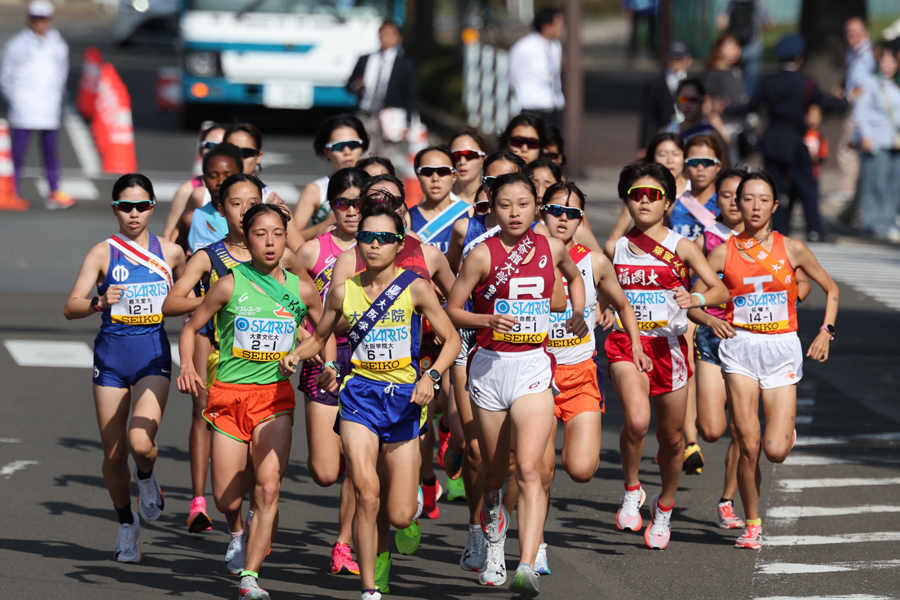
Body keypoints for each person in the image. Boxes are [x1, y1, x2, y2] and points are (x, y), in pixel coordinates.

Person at [280, 204, 461, 600]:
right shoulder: (343, 291)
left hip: (403, 400)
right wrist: (299, 352)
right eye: (367, 237)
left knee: (397, 512)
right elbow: (320, 332)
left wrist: (431, 376)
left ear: (400, 244)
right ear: (358, 243)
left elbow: (452, 340)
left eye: (384, 238)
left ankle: (405, 516)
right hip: (359, 395)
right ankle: (368, 589)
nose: (374, 244)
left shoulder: (416, 286)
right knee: (365, 489)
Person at [446, 172, 589, 597]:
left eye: (523, 204)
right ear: (492, 207)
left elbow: (576, 277)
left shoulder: (553, 246)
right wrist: (486, 319)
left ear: (536, 206)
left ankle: (525, 562)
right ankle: (493, 528)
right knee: (494, 472)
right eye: (505, 204)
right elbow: (452, 309)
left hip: (533, 368)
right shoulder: (480, 254)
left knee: (528, 468)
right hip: (490, 368)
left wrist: (577, 309)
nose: (514, 212)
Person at [177, 203, 326, 600]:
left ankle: (250, 576)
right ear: (247, 237)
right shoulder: (228, 283)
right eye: (261, 234)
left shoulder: (301, 287)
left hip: (274, 397)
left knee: (268, 487)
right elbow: (191, 328)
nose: (271, 242)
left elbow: (324, 328)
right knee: (227, 496)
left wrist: (317, 356)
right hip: (228, 395)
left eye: (278, 233)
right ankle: (239, 531)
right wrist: (189, 368)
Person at [694, 170, 839, 549]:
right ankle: (752, 524)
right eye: (747, 199)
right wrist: (709, 317)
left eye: (763, 200)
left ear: (774, 205)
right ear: (736, 205)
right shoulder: (721, 251)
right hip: (739, 348)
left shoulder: (792, 248)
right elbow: (696, 299)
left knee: (774, 451)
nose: (755, 206)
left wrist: (826, 330)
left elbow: (831, 288)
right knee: (748, 441)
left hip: (781, 349)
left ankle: (785, 433)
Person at [163, 173, 309, 536]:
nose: (245, 209)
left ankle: (257, 528)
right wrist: (223, 300)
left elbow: (306, 304)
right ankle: (229, 521)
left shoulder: (284, 255)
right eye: (236, 203)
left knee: (263, 472)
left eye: (252, 201)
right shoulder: (209, 257)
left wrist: (305, 336)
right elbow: (171, 304)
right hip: (217, 355)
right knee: (220, 450)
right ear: (221, 209)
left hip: (271, 374)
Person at [603, 161, 728, 550]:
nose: (643, 201)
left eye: (652, 195)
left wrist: (698, 299)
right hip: (627, 344)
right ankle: (632, 488)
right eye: (635, 195)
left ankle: (665, 507)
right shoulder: (616, 248)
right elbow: (607, 292)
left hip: (670, 347)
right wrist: (605, 306)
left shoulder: (682, 246)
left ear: (668, 202)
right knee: (638, 421)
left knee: (672, 440)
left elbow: (720, 291)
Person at [63, 174, 186, 562]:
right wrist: (100, 302)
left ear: (153, 206)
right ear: (115, 208)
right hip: (111, 357)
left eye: (141, 206)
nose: (134, 214)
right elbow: (71, 307)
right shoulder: (102, 253)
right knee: (115, 455)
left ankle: (147, 477)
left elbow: (191, 304)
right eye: (125, 207)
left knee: (140, 444)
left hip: (152, 354)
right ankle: (125, 524)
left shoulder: (173, 253)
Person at [537, 181, 650, 575]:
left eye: (572, 213)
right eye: (556, 210)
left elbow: (623, 303)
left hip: (580, 372)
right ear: (541, 211)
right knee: (539, 469)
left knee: (581, 469)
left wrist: (634, 343)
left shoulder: (595, 262)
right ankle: (534, 545)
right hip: (533, 373)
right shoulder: (521, 256)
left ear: (581, 219)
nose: (563, 219)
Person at [293, 167, 368, 575]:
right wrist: (309, 344)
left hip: (370, 362)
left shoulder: (381, 249)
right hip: (323, 360)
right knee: (325, 471)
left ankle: (344, 543)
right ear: (331, 206)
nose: (352, 212)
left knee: (358, 463)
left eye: (359, 204)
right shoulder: (310, 251)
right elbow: (295, 307)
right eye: (343, 204)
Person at [721, 34, 848, 242]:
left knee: (775, 188)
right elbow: (825, 102)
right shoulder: (806, 82)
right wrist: (845, 100)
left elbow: (750, 107)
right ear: (798, 57)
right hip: (795, 140)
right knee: (807, 185)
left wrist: (726, 108)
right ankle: (814, 229)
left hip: (771, 139)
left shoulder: (767, 81)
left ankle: (778, 230)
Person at [0, 0, 72, 209]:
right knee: (17, 154)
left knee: (50, 154)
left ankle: (54, 191)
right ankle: (12, 191)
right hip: (24, 107)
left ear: (50, 20)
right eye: (36, 19)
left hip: (49, 107)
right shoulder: (17, 44)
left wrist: (56, 96)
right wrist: (16, 98)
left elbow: (61, 75)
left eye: (43, 19)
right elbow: (6, 77)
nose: (40, 24)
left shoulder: (58, 45)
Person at [347, 20, 417, 161]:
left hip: (391, 117)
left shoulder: (404, 64)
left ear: (399, 39)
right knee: (364, 157)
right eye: (383, 34)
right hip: (366, 115)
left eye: (391, 35)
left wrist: (408, 124)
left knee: (386, 158)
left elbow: (411, 95)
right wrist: (357, 86)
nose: (386, 38)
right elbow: (349, 85)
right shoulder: (365, 60)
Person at [293, 115, 369, 240]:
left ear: (362, 147)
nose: (347, 151)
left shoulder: (374, 184)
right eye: (338, 146)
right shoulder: (315, 190)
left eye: (353, 144)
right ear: (326, 152)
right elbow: (289, 238)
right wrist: (324, 225)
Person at [853, 44, 900, 243]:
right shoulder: (871, 83)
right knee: (875, 184)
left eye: (892, 61)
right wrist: (866, 135)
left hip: (895, 142)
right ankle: (873, 223)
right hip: (876, 141)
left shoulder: (896, 85)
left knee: (894, 185)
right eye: (885, 60)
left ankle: (889, 222)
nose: (888, 65)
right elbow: (860, 111)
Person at [610, 132, 689, 244]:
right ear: (652, 158)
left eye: (676, 154)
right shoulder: (640, 192)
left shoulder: (696, 189)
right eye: (662, 154)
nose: (670, 160)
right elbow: (616, 234)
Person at [835, 17, 875, 206]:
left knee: (847, 150)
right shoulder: (853, 53)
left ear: (865, 32)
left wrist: (849, 96)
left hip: (862, 110)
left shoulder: (869, 54)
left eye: (856, 34)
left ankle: (849, 191)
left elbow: (866, 85)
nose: (853, 38)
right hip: (854, 108)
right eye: (849, 34)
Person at [176, 143, 244, 253]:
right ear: (204, 179)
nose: (220, 182)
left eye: (228, 175)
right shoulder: (191, 220)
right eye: (213, 176)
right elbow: (176, 261)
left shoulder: (253, 220)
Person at [163, 122, 226, 239]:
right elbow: (169, 237)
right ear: (201, 149)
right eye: (210, 145)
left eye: (222, 146)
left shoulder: (242, 187)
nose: (215, 151)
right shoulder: (187, 190)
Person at [508, 8, 565, 129]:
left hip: (554, 108)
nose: (561, 27)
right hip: (532, 108)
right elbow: (513, 75)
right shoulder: (524, 47)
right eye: (558, 23)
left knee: (553, 145)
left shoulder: (555, 46)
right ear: (546, 26)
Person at [409, 146, 470, 254]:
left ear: (454, 176)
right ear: (418, 176)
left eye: (443, 171)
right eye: (427, 171)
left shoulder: (470, 213)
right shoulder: (406, 219)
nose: (435, 178)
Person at [638, 41, 691, 153]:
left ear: (687, 59)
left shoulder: (693, 83)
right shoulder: (656, 84)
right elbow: (647, 116)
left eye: (679, 59)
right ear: (667, 58)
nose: (676, 62)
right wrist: (643, 145)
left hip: (689, 133)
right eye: (673, 58)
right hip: (664, 135)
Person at [705, 33, 747, 164]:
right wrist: (722, 133)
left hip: (740, 128)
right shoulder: (712, 75)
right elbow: (709, 109)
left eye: (737, 46)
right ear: (717, 50)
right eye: (730, 46)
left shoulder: (736, 72)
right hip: (724, 129)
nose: (736, 50)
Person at [716, 0, 773, 98]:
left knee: (733, 76)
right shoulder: (758, 2)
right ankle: (749, 105)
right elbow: (767, 23)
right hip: (753, 45)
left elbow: (721, 23)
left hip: (734, 46)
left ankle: (734, 101)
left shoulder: (731, 2)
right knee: (752, 79)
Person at [666, 79, 730, 150]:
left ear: (702, 101)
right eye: (683, 99)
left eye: (693, 100)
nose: (688, 105)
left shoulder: (712, 135)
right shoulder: (668, 131)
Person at [449, 128, 488, 205]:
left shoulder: (493, 202)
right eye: (456, 155)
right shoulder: (436, 203)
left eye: (470, 155)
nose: (462, 162)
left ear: (484, 160)